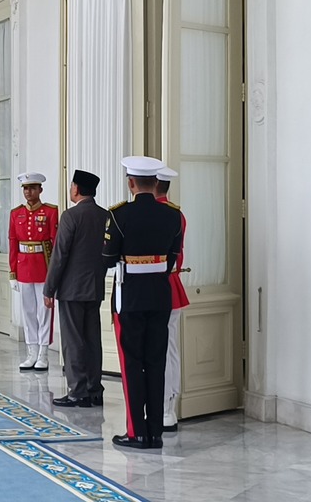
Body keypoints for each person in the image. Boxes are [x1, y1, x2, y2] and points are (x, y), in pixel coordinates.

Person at [103, 156, 182, 450]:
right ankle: (155, 432)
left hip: (130, 296)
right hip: (160, 295)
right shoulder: (173, 215)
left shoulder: (119, 214)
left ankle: (136, 432)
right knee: (156, 362)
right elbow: (173, 257)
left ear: (131, 183)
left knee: (132, 364)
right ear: (156, 182)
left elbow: (108, 257)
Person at [43, 170, 109, 407]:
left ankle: (77, 391)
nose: (70, 189)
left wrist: (49, 288)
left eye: (72, 185)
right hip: (95, 287)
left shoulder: (71, 216)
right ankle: (94, 389)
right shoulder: (105, 215)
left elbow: (60, 255)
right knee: (92, 340)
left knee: (72, 341)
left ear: (77, 189)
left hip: (71, 289)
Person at [8, 172, 60, 371]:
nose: (28, 192)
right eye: (25, 188)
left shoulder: (50, 211)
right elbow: (13, 243)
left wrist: (54, 272)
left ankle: (43, 353)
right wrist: (13, 272)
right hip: (23, 266)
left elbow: (55, 243)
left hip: (43, 266)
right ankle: (31, 352)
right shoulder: (16, 213)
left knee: (44, 311)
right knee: (28, 311)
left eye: (32, 188)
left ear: (40, 190)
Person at [155, 166, 189, 432]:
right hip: (170, 286)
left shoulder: (158, 214)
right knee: (169, 350)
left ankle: (166, 406)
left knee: (165, 351)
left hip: (161, 285)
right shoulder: (177, 214)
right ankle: (167, 406)